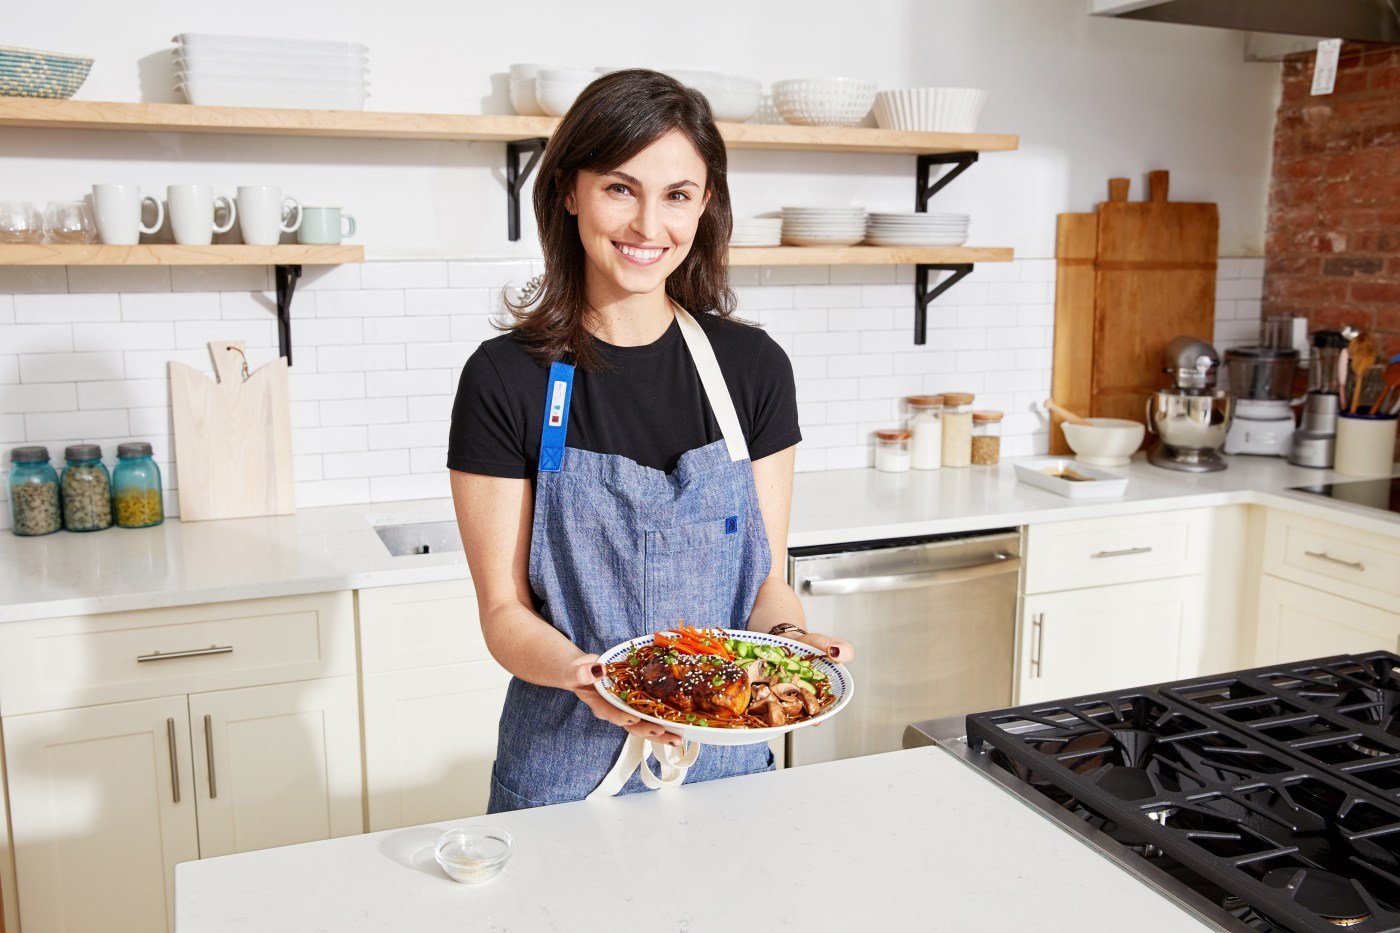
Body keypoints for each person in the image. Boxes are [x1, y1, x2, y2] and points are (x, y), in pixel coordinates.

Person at [448, 68, 854, 813]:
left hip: (728, 764)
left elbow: (764, 582)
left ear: (705, 207)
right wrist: (588, 677)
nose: (647, 226)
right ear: (570, 191)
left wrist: (793, 640)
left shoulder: (752, 370)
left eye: (677, 195)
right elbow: (504, 616)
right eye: (620, 188)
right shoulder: (506, 379)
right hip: (564, 774)